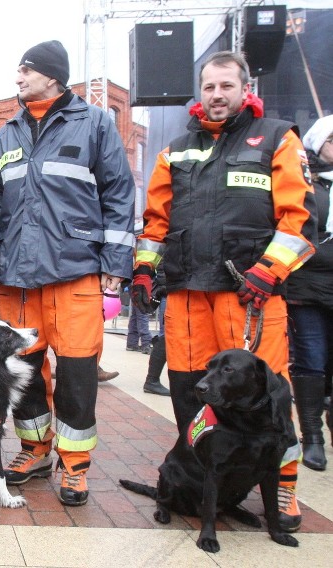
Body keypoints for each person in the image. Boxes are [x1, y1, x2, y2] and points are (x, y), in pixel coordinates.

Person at [131, 51, 316, 531]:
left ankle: (285, 488)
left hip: (248, 296)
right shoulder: (175, 150)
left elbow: (300, 218)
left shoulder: (277, 138)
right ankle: (200, 482)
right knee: (192, 397)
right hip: (188, 296)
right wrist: (145, 271)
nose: (216, 96)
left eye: (226, 87)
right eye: (209, 87)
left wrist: (269, 270)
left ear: (245, 88)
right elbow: (155, 222)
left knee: (271, 396)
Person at [0, 40, 135, 506]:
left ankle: (74, 465)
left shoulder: (94, 124)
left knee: (75, 374)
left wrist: (115, 263)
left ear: (52, 76)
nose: (18, 78)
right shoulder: (7, 132)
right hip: (17, 279)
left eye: (26, 70)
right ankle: (34, 451)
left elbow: (119, 194)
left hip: (74, 274)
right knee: (25, 372)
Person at [286, 114, 333, 471]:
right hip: (307, 287)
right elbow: (296, 231)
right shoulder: (306, 180)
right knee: (311, 361)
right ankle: (312, 436)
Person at [142, 270, 169, 396]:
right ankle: (152, 380)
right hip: (171, 292)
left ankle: (152, 380)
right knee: (166, 338)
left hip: (171, 290)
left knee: (166, 337)